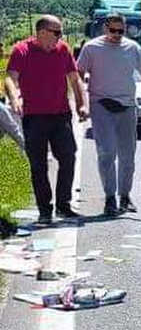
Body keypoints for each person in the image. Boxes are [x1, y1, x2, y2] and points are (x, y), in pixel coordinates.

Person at [78, 13, 141, 216]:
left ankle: (125, 196)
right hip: (101, 104)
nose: (116, 34)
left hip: (127, 106)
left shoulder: (133, 48)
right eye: (113, 30)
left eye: (120, 31)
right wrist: (82, 102)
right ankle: (110, 197)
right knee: (107, 152)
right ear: (105, 29)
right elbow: (78, 73)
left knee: (127, 155)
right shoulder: (91, 48)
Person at [4, 16, 87, 223]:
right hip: (34, 117)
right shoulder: (22, 50)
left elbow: (75, 79)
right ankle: (44, 210)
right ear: (42, 32)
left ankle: (63, 205)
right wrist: (14, 98)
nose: (60, 37)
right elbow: (10, 78)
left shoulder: (63, 50)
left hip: (60, 115)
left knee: (68, 158)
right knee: (38, 164)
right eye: (56, 32)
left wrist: (81, 104)